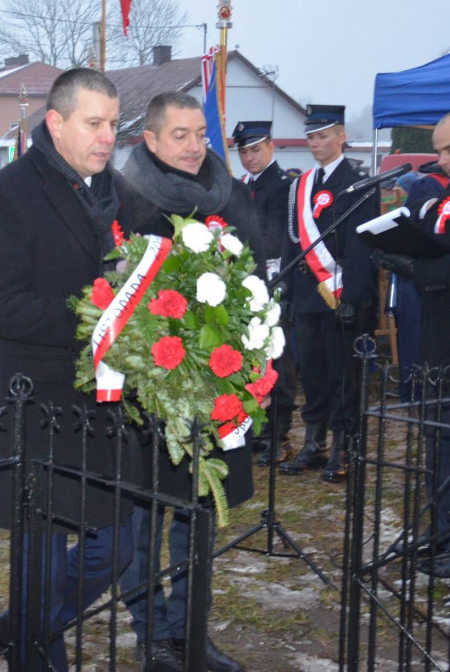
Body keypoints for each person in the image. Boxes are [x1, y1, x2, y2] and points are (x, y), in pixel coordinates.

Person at [0, 68, 135, 672]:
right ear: (57, 123)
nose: (107, 136)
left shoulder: (114, 191)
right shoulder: (7, 195)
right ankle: (35, 651)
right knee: (40, 559)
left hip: (101, 412)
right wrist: (98, 317)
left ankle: (21, 625)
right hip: (33, 410)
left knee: (115, 546)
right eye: (95, 123)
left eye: (114, 124)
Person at [117, 93, 261, 672]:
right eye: (180, 135)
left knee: (200, 513)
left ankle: (190, 633)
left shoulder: (231, 193)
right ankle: (151, 632)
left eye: (200, 134)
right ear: (150, 140)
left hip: (218, 383)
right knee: (142, 517)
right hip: (148, 386)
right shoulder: (122, 197)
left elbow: (256, 271)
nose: (195, 146)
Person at [375, 109, 450, 579]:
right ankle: (443, 528)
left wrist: (418, 269)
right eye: (438, 149)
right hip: (439, 338)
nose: (442, 159)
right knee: (439, 442)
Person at [280, 105, 378, 482]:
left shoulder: (358, 182)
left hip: (340, 293)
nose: (315, 143)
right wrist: (287, 289)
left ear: (341, 137)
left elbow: (359, 245)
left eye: (322, 136)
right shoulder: (302, 185)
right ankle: (315, 443)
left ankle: (344, 446)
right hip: (307, 292)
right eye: (310, 137)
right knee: (315, 374)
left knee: (343, 374)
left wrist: (353, 296)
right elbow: (294, 243)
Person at [233, 120, 298, 465]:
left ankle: (280, 434)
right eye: (243, 151)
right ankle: (258, 428)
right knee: (253, 355)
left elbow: (277, 237)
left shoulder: (284, 186)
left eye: (255, 149)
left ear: (271, 147)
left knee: (279, 358)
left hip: (275, 280)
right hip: (248, 281)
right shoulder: (243, 185)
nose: (249, 158)